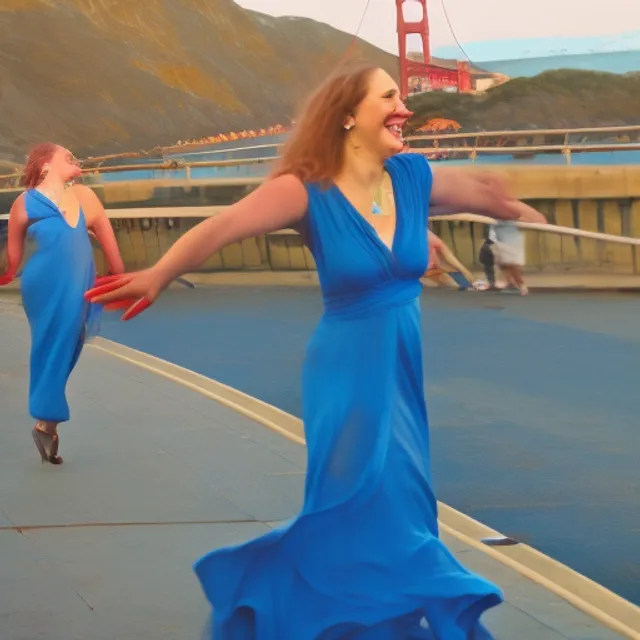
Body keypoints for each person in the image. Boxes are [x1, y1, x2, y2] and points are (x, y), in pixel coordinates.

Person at [86, 63, 546, 638]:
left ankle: (385, 623)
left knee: (403, 500)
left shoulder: (410, 177)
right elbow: (222, 228)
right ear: (349, 116)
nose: (404, 107)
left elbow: (477, 191)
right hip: (346, 373)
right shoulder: (303, 191)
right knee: (350, 501)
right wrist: (158, 274)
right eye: (390, 97)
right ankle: (303, 610)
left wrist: (518, 211)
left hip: (400, 371)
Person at [0, 143, 124, 464]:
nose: (76, 159)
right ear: (44, 165)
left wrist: (118, 278)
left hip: (79, 284)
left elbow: (113, 254)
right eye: (67, 156)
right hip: (41, 285)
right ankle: (47, 422)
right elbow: (11, 263)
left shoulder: (85, 197)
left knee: (70, 343)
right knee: (52, 345)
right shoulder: (24, 204)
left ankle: (46, 420)